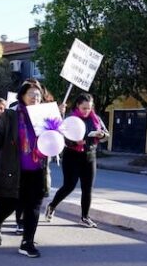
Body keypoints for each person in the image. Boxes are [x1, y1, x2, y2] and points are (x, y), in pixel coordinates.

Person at [0, 81, 50, 258]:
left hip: (38, 169)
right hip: (15, 170)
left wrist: (58, 124)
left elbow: (57, 141)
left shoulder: (46, 116)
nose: (35, 97)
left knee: (34, 205)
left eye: (38, 94)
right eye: (31, 93)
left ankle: (27, 242)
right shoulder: (11, 115)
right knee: (11, 202)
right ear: (22, 95)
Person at [45, 93, 109, 228]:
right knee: (69, 186)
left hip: (89, 156)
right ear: (78, 106)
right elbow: (62, 138)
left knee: (88, 188)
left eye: (89, 108)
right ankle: (52, 206)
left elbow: (106, 135)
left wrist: (102, 134)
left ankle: (85, 217)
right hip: (72, 156)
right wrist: (75, 142)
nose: (87, 111)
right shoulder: (70, 119)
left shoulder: (96, 118)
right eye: (84, 108)